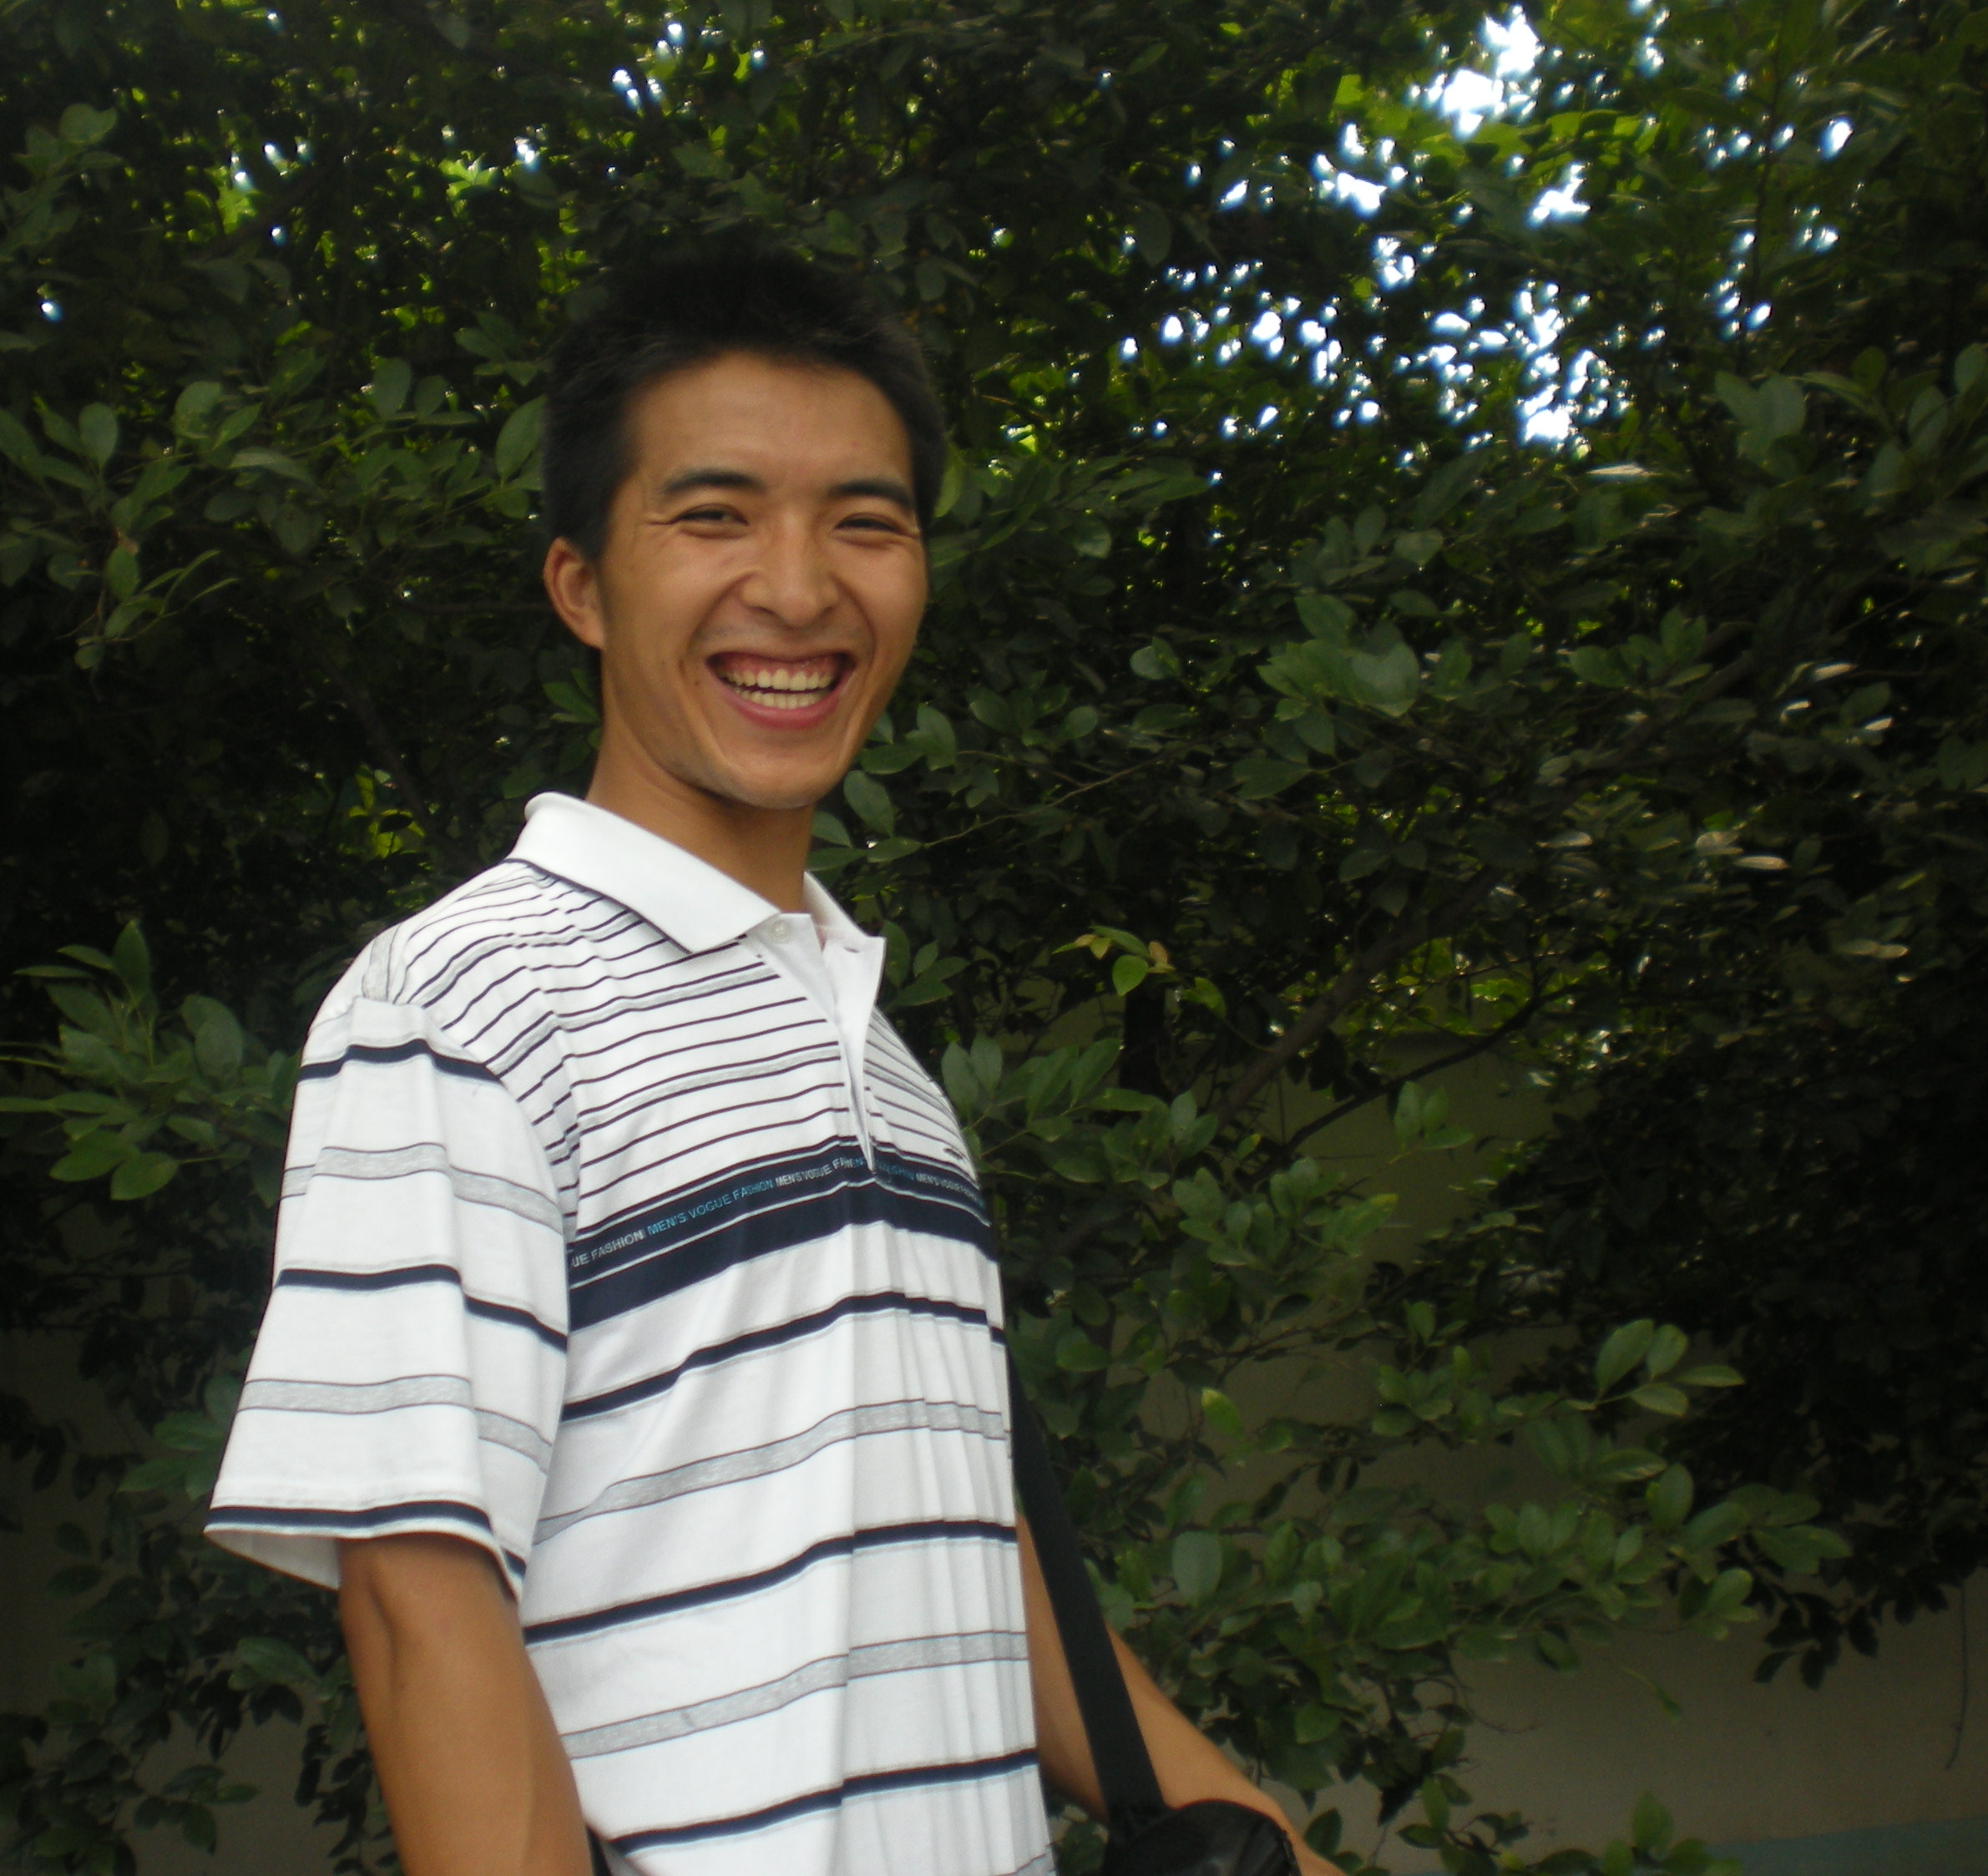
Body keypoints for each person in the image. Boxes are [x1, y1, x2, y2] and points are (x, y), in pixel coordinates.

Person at [205, 242, 1324, 1876]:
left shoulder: (891, 1073)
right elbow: (419, 1599)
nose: (798, 589)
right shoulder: (459, 1005)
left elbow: (962, 1553)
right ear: (582, 585)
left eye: (865, 522)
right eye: (715, 516)